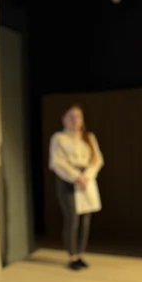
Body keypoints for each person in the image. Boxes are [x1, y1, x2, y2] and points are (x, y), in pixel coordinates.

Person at [48, 105, 104, 270]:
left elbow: (97, 160)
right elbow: (57, 162)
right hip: (68, 180)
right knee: (72, 219)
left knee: (85, 221)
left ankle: (80, 253)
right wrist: (76, 177)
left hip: (87, 180)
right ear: (64, 119)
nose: (75, 120)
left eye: (78, 116)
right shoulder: (59, 138)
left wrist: (87, 176)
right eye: (71, 117)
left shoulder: (89, 137)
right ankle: (72, 255)